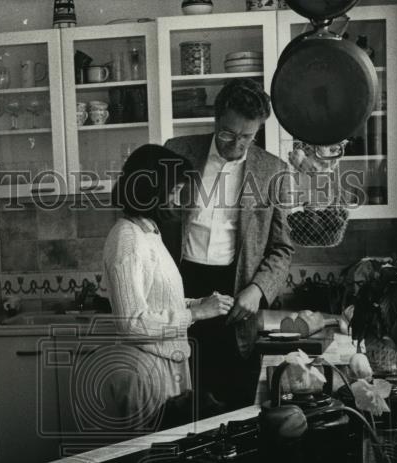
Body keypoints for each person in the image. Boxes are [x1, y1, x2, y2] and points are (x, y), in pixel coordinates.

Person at [164, 78, 294, 412]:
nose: (237, 144)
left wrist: (258, 290)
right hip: (182, 288)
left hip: (237, 296)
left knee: (231, 407)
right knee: (179, 405)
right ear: (216, 119)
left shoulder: (273, 171)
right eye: (228, 133)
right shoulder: (177, 151)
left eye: (247, 136)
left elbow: (282, 248)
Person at [96, 144, 234, 432]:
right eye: (173, 189)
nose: (177, 196)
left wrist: (196, 304)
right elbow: (131, 323)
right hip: (144, 371)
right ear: (151, 188)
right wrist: (195, 315)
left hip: (163, 364)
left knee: (166, 460)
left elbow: (156, 301)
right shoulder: (127, 238)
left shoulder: (148, 232)